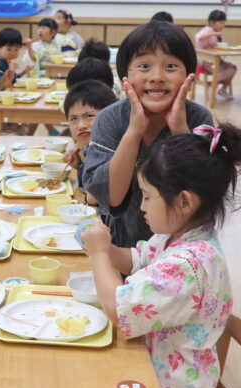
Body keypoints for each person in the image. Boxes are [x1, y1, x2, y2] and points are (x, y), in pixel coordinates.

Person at [81, 122, 241, 388]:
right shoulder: (180, 236)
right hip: (159, 367)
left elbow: (115, 307)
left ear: (185, 202)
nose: (142, 206)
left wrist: (97, 254)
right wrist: (108, 249)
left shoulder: (187, 266)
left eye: (148, 197)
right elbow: (137, 260)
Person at [82, 20, 213, 248]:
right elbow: (111, 196)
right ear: (126, 76)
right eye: (144, 66)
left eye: (171, 66)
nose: (157, 76)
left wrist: (180, 132)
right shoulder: (111, 118)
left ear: (188, 76)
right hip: (120, 242)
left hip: (182, 247)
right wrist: (134, 132)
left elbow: (200, 195)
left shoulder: (199, 119)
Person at [61, 80, 117, 209]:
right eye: (73, 119)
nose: (81, 126)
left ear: (110, 115)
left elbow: (95, 198)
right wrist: (79, 166)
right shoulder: (88, 148)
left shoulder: (111, 151)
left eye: (89, 116)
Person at [195, 10, 237, 100]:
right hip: (206, 61)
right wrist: (212, 34)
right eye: (220, 23)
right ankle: (213, 84)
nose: (222, 25)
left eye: (223, 23)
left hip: (215, 60)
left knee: (233, 67)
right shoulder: (207, 30)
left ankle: (223, 89)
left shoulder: (217, 34)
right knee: (227, 70)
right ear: (211, 22)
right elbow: (199, 37)